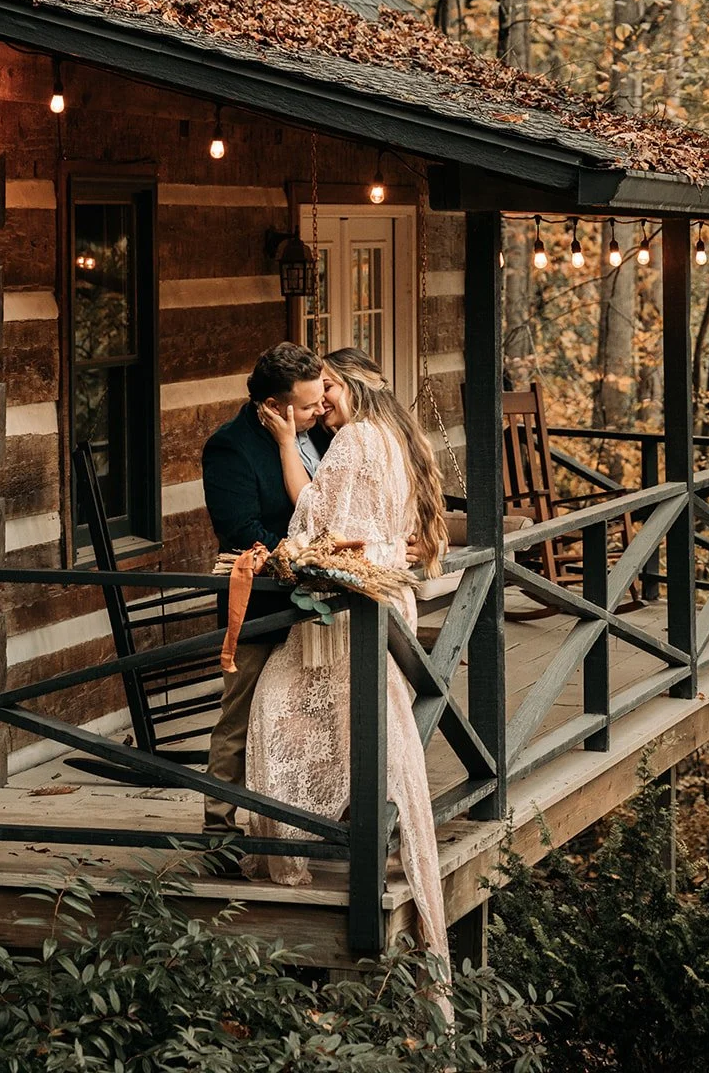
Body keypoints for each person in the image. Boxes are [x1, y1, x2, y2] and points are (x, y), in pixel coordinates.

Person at [243, 346, 452, 980]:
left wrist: (285, 447)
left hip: (354, 613)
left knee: (281, 710)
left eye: (329, 385)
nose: (323, 398)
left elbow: (314, 515)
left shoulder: (358, 439)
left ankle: (296, 847)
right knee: (368, 727)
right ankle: (350, 834)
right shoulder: (392, 434)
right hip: (380, 603)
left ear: (353, 385)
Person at [200, 342, 332, 836]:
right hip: (260, 605)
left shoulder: (318, 432)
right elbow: (243, 530)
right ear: (274, 407)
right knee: (239, 715)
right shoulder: (230, 447)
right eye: (307, 404)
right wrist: (316, 554)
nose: (319, 410)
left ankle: (311, 821)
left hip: (318, 603)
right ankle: (219, 829)